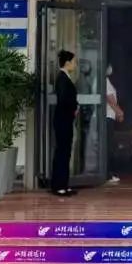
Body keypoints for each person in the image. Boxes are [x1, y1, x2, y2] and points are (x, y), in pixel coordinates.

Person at [51, 50, 78, 197]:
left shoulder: (65, 77)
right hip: (63, 121)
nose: (75, 64)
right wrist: (73, 108)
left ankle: (64, 184)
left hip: (66, 120)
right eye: (74, 62)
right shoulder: (62, 78)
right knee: (62, 152)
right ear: (67, 63)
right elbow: (63, 100)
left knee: (66, 152)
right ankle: (59, 186)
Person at [105, 65, 124, 184]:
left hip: (109, 116)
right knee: (108, 146)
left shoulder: (105, 80)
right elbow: (109, 98)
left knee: (109, 145)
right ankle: (107, 174)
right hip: (107, 116)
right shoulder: (104, 81)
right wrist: (119, 112)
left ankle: (107, 173)